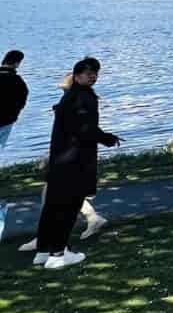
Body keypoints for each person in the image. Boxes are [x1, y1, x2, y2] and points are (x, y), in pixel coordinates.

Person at [32, 58, 120, 270]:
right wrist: (106, 138)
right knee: (68, 207)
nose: (93, 76)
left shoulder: (69, 96)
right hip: (74, 161)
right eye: (88, 72)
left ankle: (44, 251)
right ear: (77, 75)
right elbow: (84, 129)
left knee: (53, 206)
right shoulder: (82, 98)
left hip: (60, 159)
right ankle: (59, 253)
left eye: (95, 72)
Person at [0, 49, 28, 244]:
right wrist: (13, 116)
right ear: (17, 63)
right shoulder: (18, 83)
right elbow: (21, 102)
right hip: (4, 123)